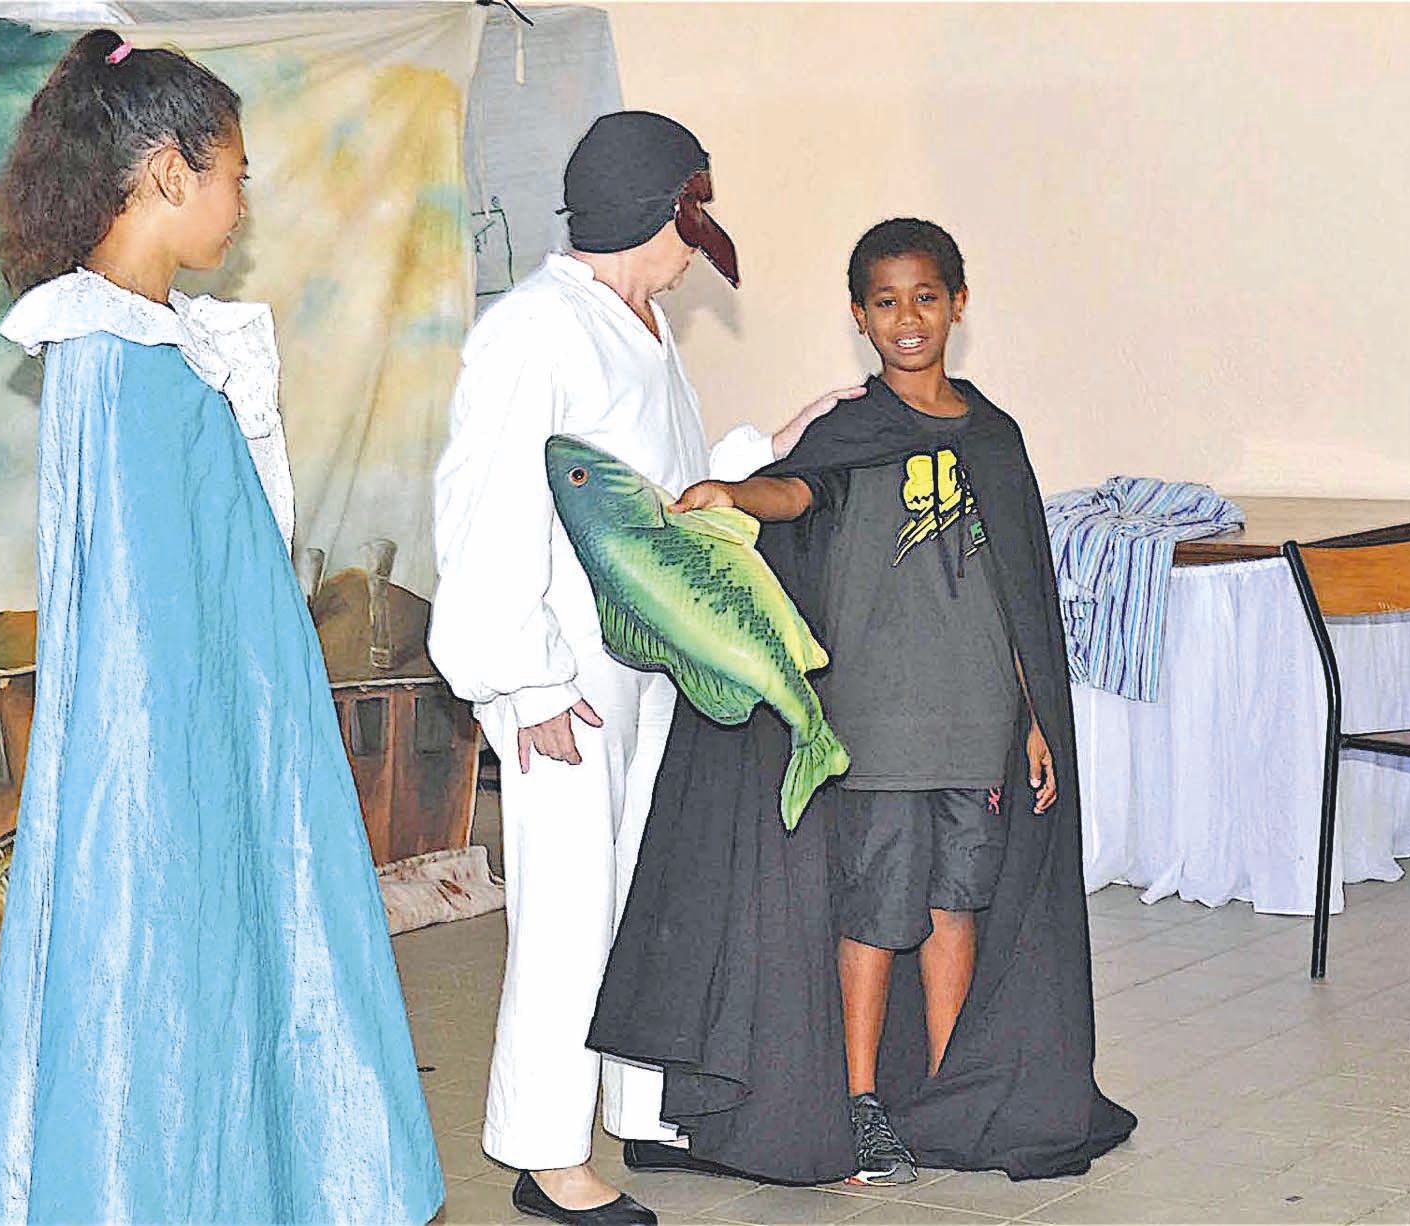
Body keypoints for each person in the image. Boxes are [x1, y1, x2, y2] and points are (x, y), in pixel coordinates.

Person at [0, 31, 440, 1224]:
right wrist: (188, 789)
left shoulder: (161, 344)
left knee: (254, 999)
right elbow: (130, 627)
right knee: (173, 1014)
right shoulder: (114, 362)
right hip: (176, 771)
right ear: (169, 170)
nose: (241, 201)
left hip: (235, 741)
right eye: (233, 172)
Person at [590, 218, 1136, 1186]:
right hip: (876, 722)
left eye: (926, 296)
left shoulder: (994, 437)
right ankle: (860, 1102)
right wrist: (733, 492)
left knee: (955, 904)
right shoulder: (853, 428)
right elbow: (799, 493)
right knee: (874, 912)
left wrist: (1038, 717)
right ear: (859, 316)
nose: (907, 318)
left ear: (959, 303)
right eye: (885, 302)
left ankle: (944, 1093)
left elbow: (1021, 597)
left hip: (979, 723)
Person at [428, 110, 859, 1226]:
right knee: (568, 914)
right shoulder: (532, 332)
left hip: (647, 673)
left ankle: (643, 1110)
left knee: (645, 898)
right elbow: (483, 517)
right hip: (564, 684)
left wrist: (776, 443)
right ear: (651, 213)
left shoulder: (640, 327)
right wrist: (519, 681)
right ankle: (544, 1151)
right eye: (688, 220)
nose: (695, 247)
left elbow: (665, 504)